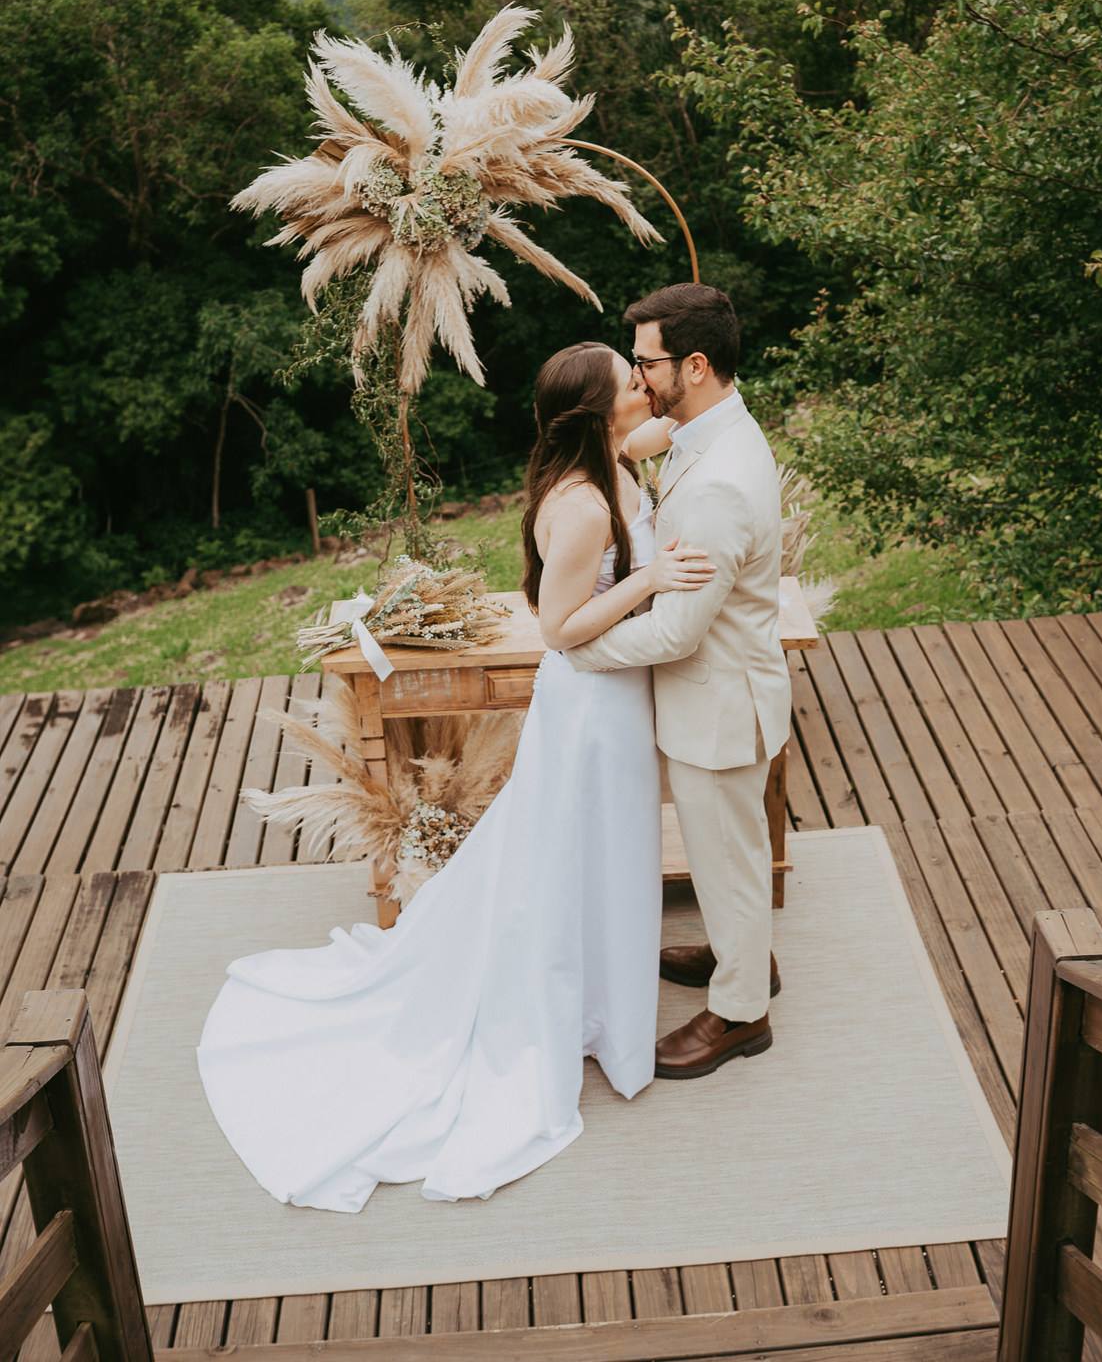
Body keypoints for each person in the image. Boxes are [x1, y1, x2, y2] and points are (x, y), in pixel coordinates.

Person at [196, 341, 714, 1209]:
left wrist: (692, 431)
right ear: (598, 412)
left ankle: (602, 1012)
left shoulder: (611, 461)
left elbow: (659, 433)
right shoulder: (584, 506)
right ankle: (577, 1021)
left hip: (612, 703)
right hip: (591, 708)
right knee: (578, 855)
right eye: (633, 381)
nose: (646, 385)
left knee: (605, 856)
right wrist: (654, 577)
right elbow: (558, 626)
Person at [566, 284, 793, 1081]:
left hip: (719, 702)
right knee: (723, 848)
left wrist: (577, 651)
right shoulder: (709, 427)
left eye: (646, 362)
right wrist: (628, 451)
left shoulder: (720, 482)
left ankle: (741, 1012)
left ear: (694, 365)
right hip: (727, 690)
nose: (638, 375)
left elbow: (675, 631)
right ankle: (744, 953)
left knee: (726, 853)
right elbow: (659, 451)